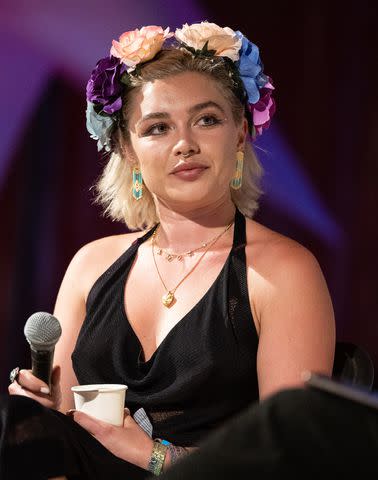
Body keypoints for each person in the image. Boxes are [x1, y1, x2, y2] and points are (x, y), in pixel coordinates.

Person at [3, 21, 335, 478]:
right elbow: (63, 433)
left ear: (239, 134)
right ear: (128, 149)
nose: (185, 144)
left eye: (207, 119)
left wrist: (151, 455)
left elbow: (291, 461)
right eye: (158, 127)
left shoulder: (284, 271)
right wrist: (39, 415)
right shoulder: (90, 264)